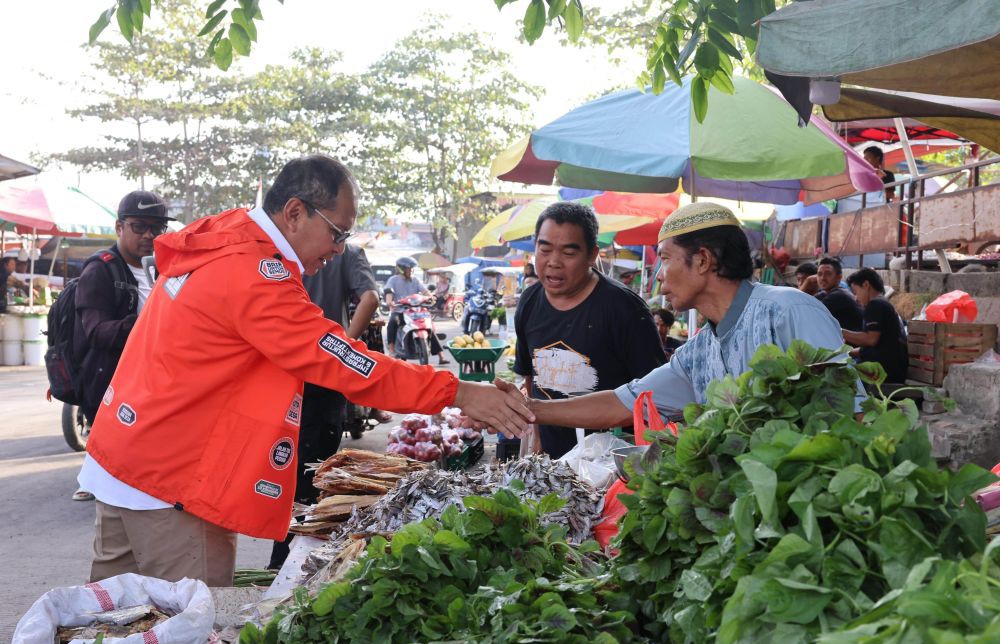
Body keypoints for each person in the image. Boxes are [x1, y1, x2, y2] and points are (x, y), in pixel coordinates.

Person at [76, 155, 533, 586]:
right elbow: (347, 364)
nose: (339, 250)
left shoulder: (225, 235)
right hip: (173, 481)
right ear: (294, 212)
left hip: (125, 454)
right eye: (338, 233)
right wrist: (462, 393)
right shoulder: (254, 274)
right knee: (185, 639)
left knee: (104, 628)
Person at [502, 202, 851, 428]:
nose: (658, 275)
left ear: (702, 260)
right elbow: (622, 403)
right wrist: (526, 408)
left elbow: (854, 414)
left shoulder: (789, 310)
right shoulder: (697, 354)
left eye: (665, 259)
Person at [512, 202, 665, 459]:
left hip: (611, 461)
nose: (553, 262)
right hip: (550, 459)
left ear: (592, 254)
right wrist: (535, 436)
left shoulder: (625, 309)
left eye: (568, 253)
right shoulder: (529, 301)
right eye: (544, 249)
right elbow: (530, 376)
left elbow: (653, 396)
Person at [267, 243, 381, 569]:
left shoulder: (281, 248)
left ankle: (280, 559)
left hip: (281, 375)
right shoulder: (348, 253)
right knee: (317, 474)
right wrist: (342, 349)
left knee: (282, 468)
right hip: (323, 379)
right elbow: (369, 298)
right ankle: (296, 562)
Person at [71, 190, 173, 502]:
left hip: (153, 377)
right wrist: (144, 323)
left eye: (157, 228)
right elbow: (96, 332)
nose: (149, 235)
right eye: (139, 226)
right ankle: (96, 480)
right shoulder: (100, 270)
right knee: (115, 461)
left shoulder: (163, 267)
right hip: (109, 379)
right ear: (120, 227)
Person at [843, 268, 909, 384]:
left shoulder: (875, 305)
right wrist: (845, 352)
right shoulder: (883, 303)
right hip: (893, 368)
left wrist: (840, 331)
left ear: (866, 285)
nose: (856, 298)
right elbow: (877, 345)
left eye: (855, 292)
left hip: (883, 372)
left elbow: (870, 340)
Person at [384, 256, 448, 364]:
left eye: (412, 268)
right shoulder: (393, 280)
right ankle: (391, 350)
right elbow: (388, 293)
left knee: (428, 326)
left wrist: (430, 296)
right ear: (402, 269)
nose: (411, 270)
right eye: (409, 268)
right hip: (400, 310)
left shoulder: (415, 280)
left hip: (416, 310)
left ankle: (441, 356)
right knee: (392, 323)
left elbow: (425, 291)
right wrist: (390, 301)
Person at [815, 257, 863, 331]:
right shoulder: (823, 294)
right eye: (819, 274)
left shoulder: (839, 295)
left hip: (850, 342)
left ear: (839, 277)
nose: (822, 278)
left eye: (828, 274)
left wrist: (807, 283)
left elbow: (809, 314)